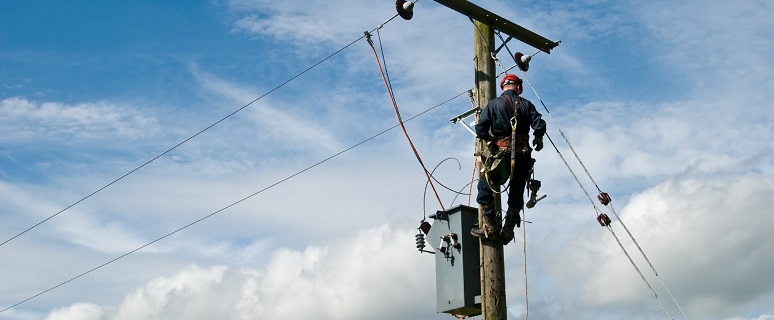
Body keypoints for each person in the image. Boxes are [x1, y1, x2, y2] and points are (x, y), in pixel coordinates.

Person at [470, 74, 546, 245]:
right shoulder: (527, 104)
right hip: (523, 155)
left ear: (503, 87)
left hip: (502, 155)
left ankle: (489, 227)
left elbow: (481, 128)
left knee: (485, 186)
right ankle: (508, 230)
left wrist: (490, 141)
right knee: (517, 191)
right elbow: (539, 124)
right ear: (518, 87)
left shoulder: (494, 104)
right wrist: (538, 138)